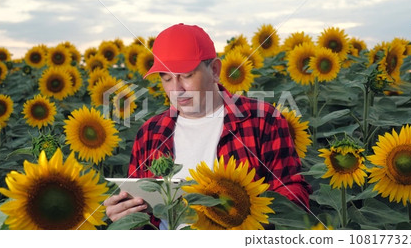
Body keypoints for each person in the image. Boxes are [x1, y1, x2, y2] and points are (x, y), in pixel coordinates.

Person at [104, 23, 312, 226]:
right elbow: (142, 211)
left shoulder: (263, 120)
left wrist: (249, 215)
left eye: (186, 76)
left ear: (214, 70)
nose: (176, 90)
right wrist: (126, 216)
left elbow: (293, 191)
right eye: (166, 79)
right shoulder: (150, 133)